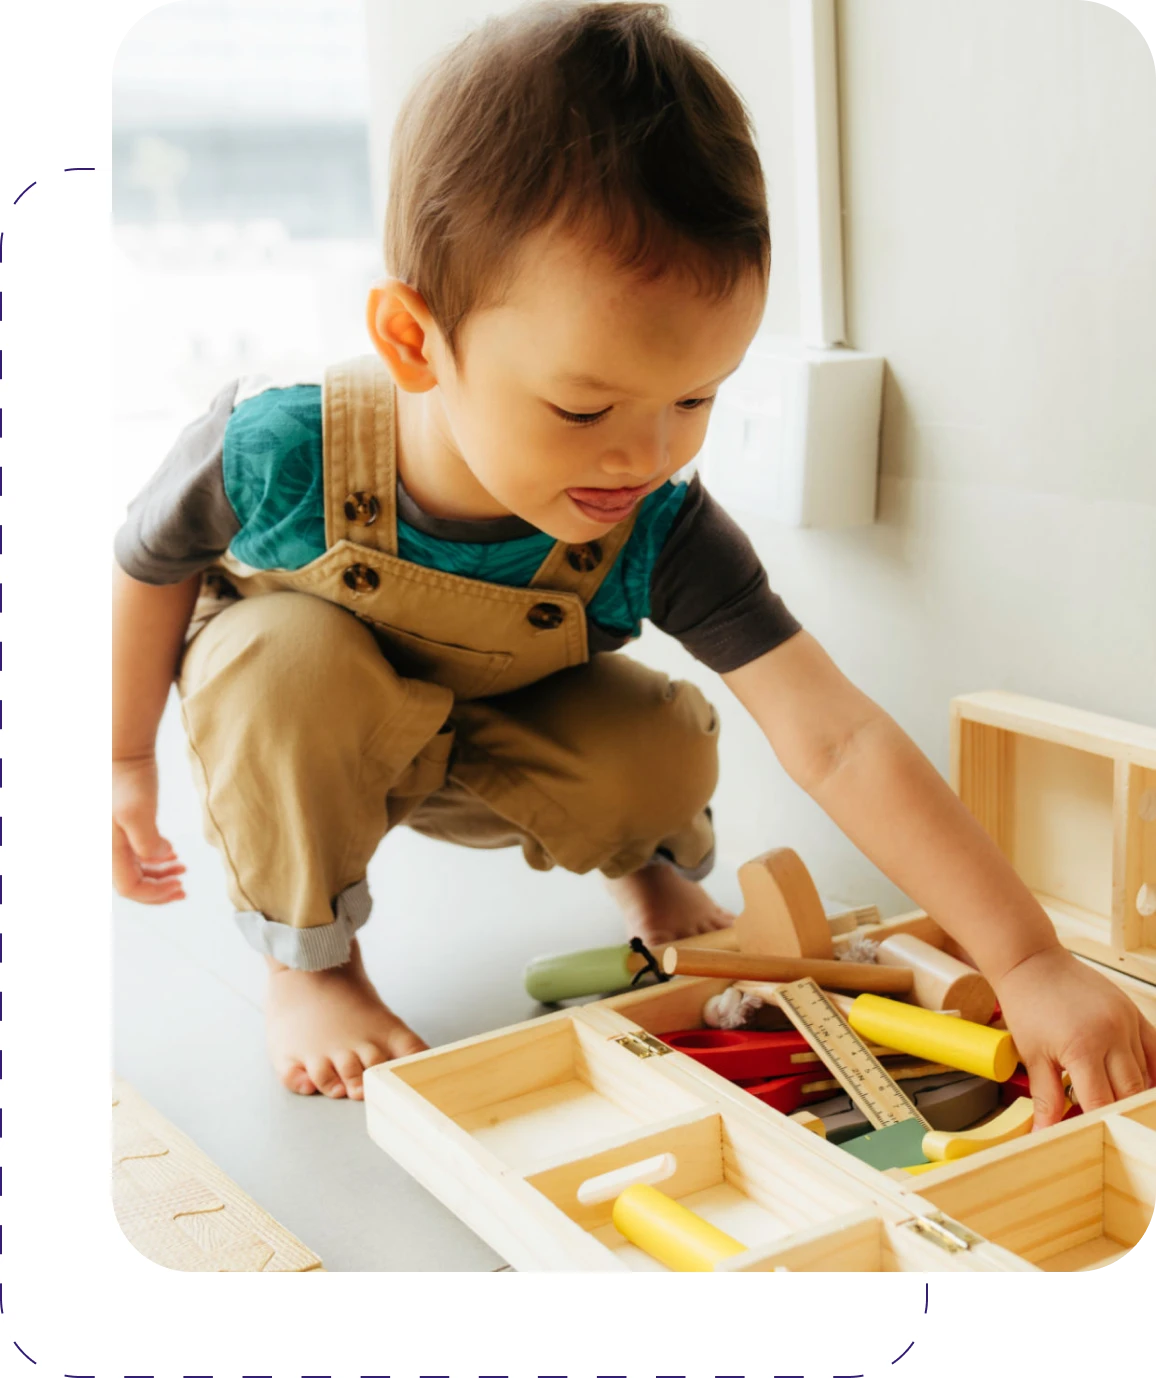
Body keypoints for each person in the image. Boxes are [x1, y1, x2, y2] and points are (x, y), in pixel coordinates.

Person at [111, 1, 1156, 1120]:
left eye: (695, 398)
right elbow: (145, 562)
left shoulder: (657, 517)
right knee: (286, 662)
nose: (646, 456)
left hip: (488, 742)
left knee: (662, 744)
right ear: (415, 340)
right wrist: (125, 758)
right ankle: (311, 963)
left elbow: (837, 736)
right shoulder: (277, 447)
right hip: (303, 739)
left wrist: (1028, 959)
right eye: (583, 407)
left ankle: (643, 868)